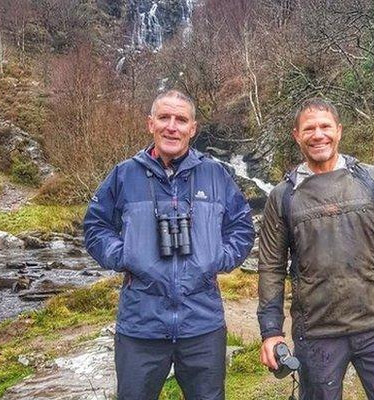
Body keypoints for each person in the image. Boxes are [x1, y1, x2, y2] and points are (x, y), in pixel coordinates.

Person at [84, 90, 255, 400]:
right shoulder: (124, 174)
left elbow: (242, 226)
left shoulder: (216, 174)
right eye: (164, 118)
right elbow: (96, 226)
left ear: (193, 128)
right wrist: (123, 255)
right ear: (151, 124)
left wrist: (220, 258)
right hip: (140, 325)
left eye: (181, 119)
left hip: (202, 323)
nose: (172, 126)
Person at [257, 98, 374, 400]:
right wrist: (271, 330)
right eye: (309, 128)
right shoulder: (283, 196)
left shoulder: (373, 179)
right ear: (297, 135)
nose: (318, 134)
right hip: (316, 333)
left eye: (325, 126)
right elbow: (271, 265)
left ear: (339, 131)